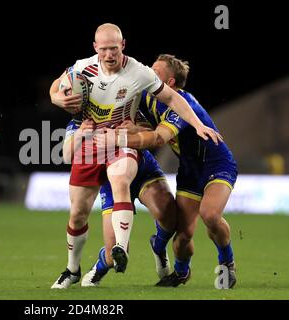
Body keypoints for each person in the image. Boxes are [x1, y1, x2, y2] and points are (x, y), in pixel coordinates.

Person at [49, 23, 221, 289]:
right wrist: (57, 99)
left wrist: (198, 124)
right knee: (77, 214)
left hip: (122, 143)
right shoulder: (82, 67)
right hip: (92, 144)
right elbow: (57, 86)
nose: (109, 54)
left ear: (123, 46)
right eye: (104, 49)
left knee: (138, 193)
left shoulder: (139, 73)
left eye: (114, 49)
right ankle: (74, 269)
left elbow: (173, 99)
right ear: (95, 48)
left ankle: (126, 246)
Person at [96, 54, 237, 288]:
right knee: (182, 239)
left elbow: (159, 138)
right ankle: (181, 273)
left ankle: (227, 262)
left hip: (217, 164)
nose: (149, 73)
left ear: (169, 83)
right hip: (189, 170)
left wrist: (119, 138)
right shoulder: (147, 97)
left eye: (155, 72)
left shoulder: (182, 103)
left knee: (210, 215)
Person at [63, 118, 177, 287]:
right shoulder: (79, 120)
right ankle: (99, 267)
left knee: (169, 213)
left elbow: (155, 136)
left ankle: (159, 246)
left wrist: (135, 129)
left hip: (142, 170)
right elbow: (67, 156)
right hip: (112, 178)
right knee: (112, 256)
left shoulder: (127, 102)